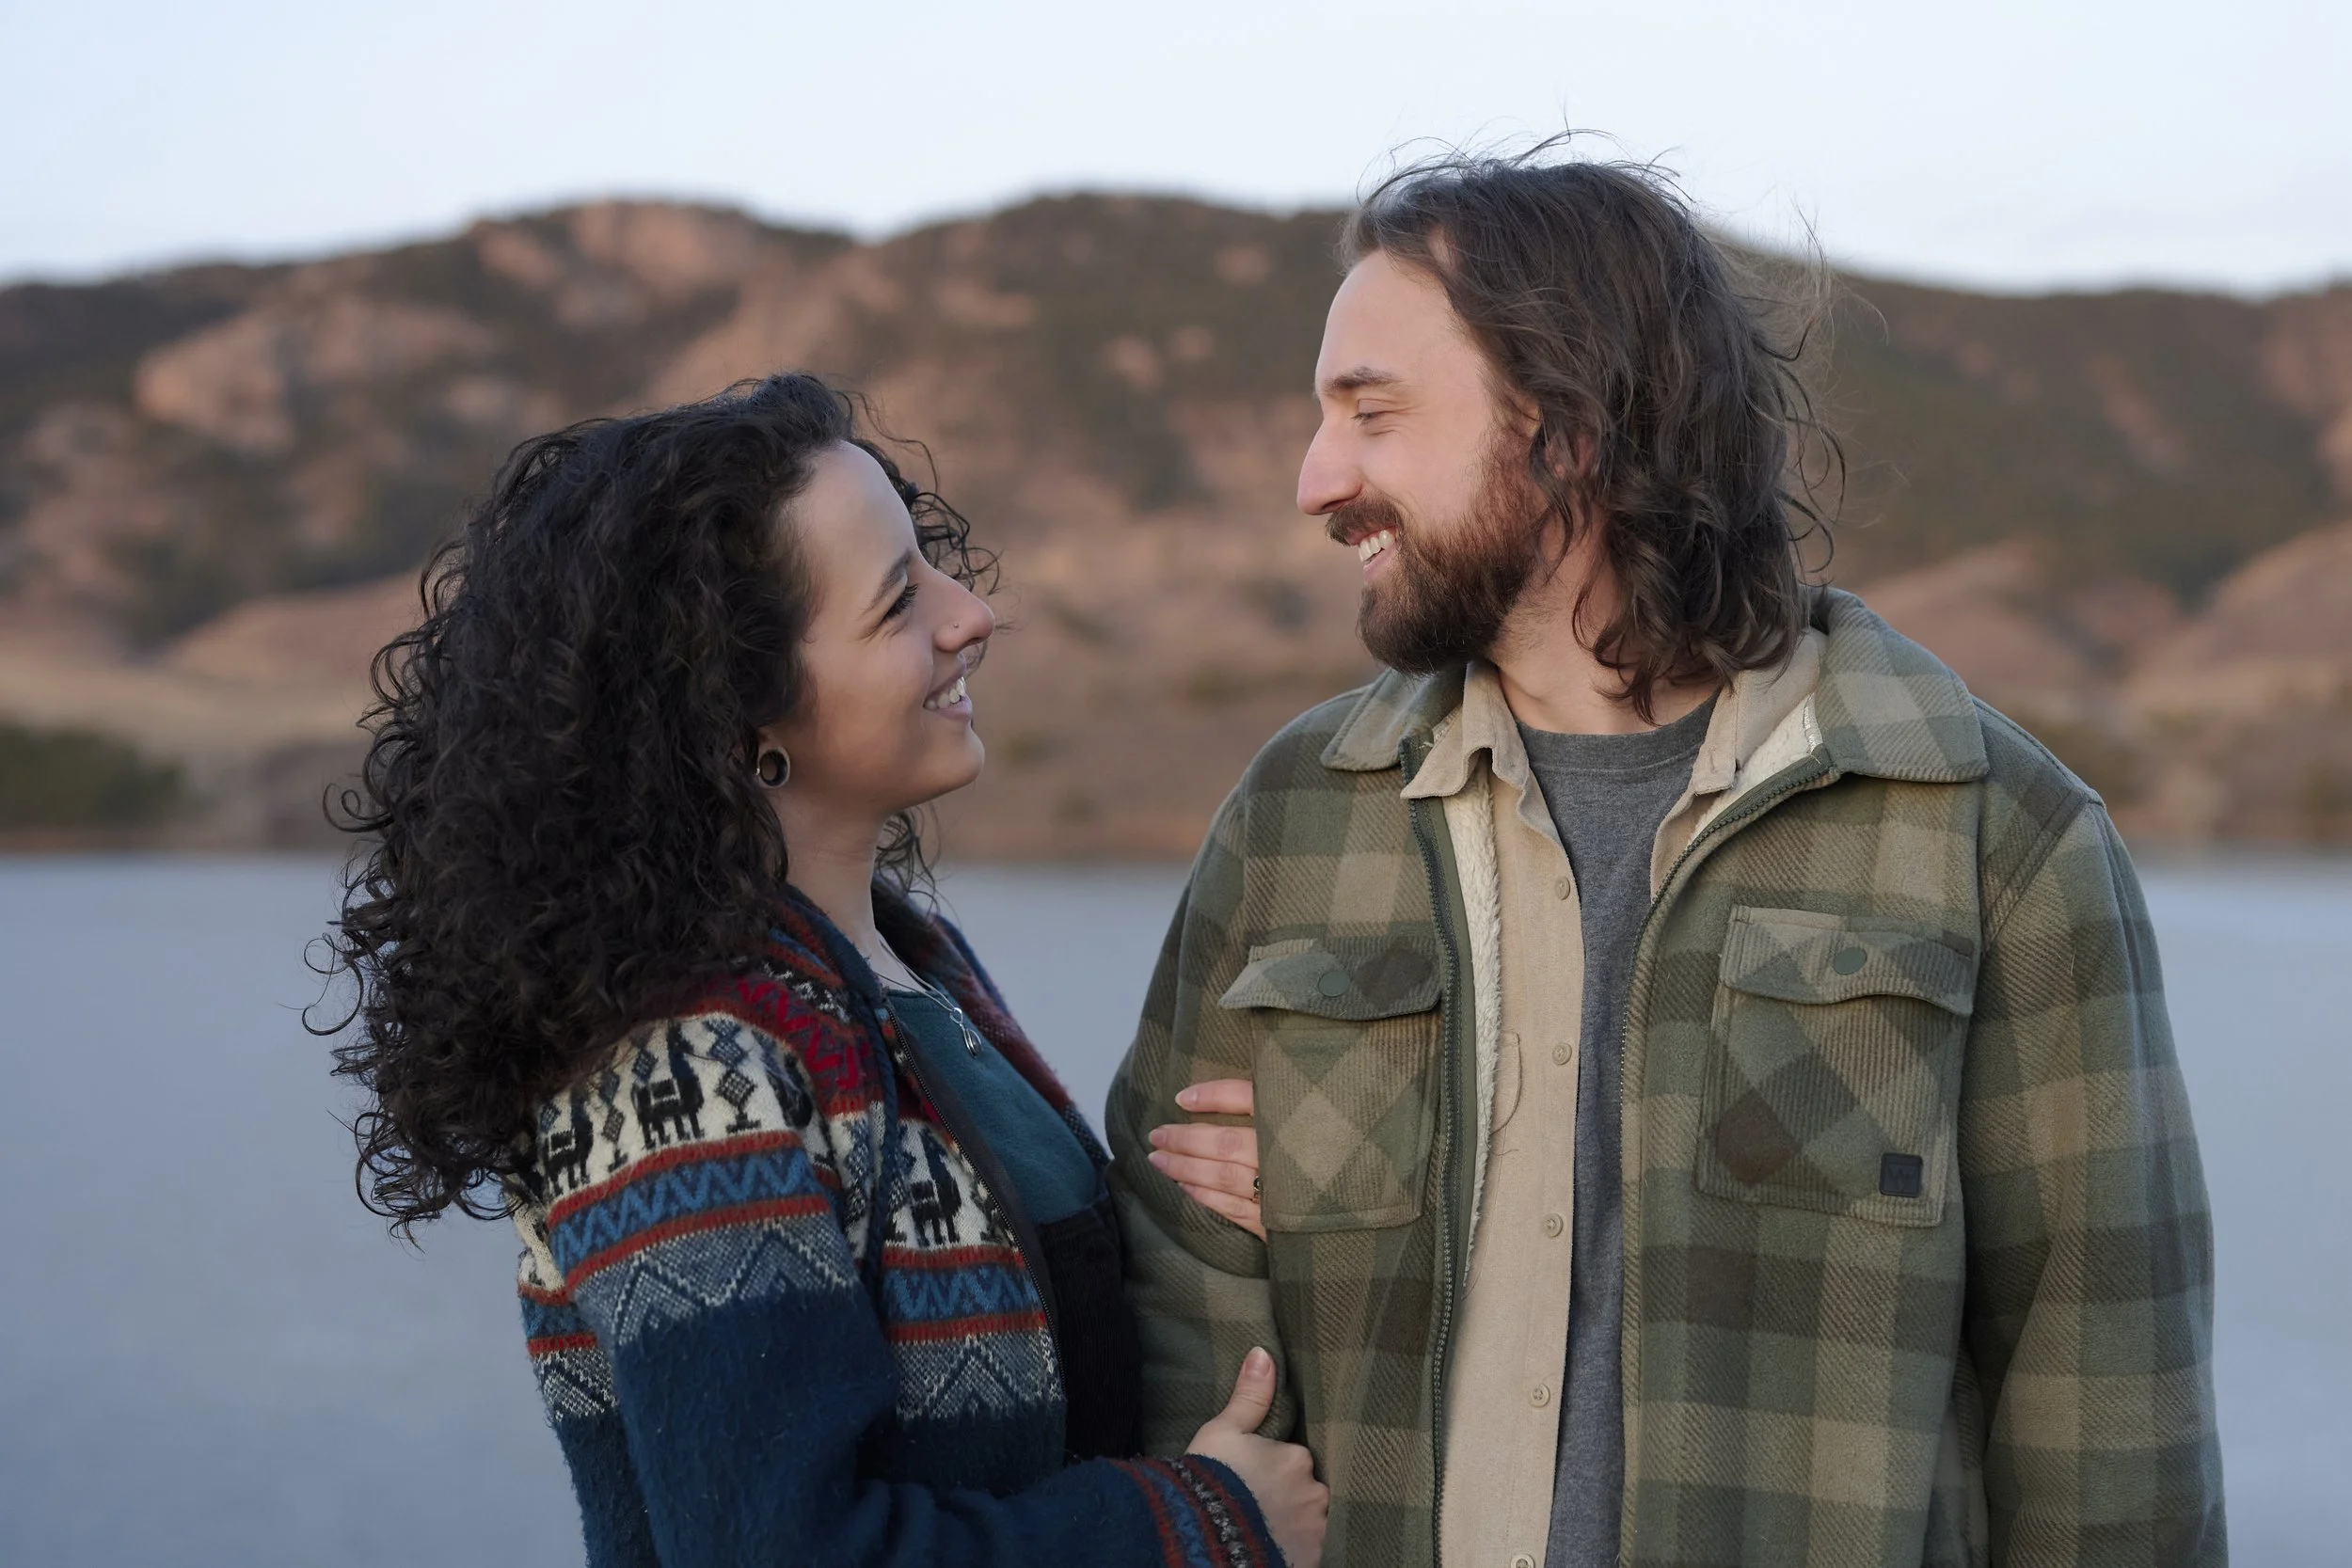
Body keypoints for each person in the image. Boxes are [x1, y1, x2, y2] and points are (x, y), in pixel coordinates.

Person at [1109, 151, 2225, 1568]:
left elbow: (2109, 1417)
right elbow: (1178, 1325)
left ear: (1566, 427)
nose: (1317, 480)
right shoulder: (1295, 818)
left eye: (1372, 414)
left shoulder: (1994, 829)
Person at [321, 373, 1327, 1568]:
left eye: (931, 564)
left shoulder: (897, 967)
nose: (971, 616)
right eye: (899, 602)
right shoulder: (688, 1058)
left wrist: (1256, 1197)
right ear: (742, 712)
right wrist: (1202, 1524)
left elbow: (1053, 1333)